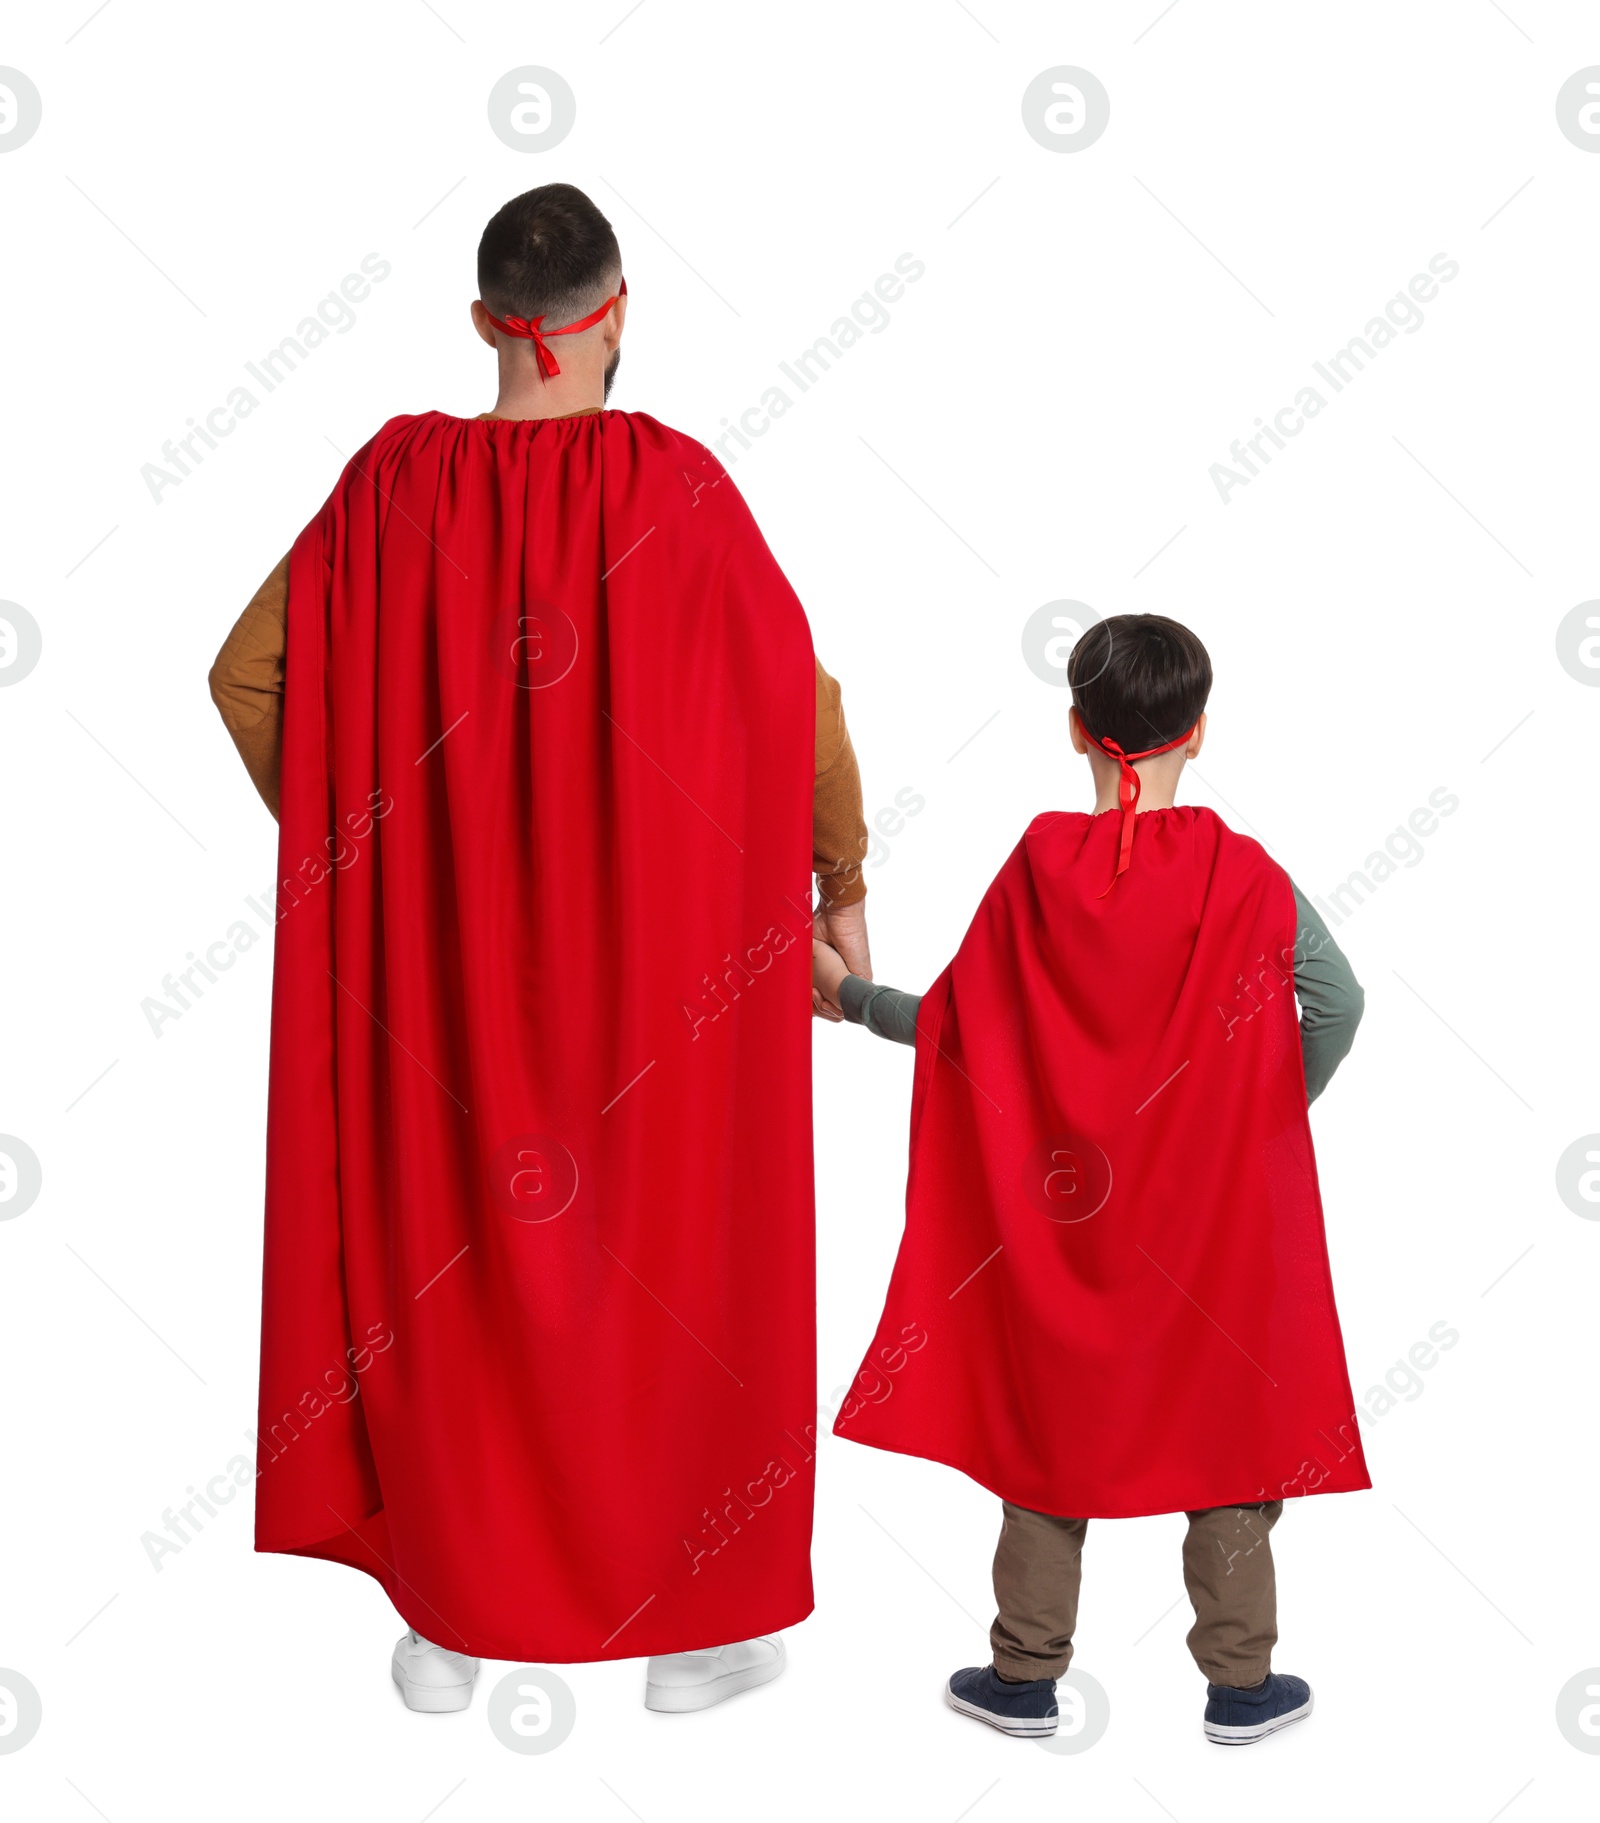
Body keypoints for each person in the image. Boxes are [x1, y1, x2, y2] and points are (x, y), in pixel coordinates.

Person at [208, 183, 872, 1715]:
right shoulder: (677, 486)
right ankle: (698, 1627)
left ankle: (452, 1617)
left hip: (440, 971)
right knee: (677, 1265)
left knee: (454, 1254)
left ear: (481, 321)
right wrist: (837, 877)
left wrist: (371, 851)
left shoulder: (389, 483)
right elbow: (804, 702)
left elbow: (249, 678)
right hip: (664, 976)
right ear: (618, 312)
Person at [813, 613, 1367, 1745]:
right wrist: (1248, 1117)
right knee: (1224, 1429)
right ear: (1199, 732)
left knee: (1048, 1425)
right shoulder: (1245, 874)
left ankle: (1023, 1678)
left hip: (1068, 1217)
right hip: (1208, 1226)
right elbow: (1340, 1003)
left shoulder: (1037, 867)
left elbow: (964, 1026)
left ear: (1075, 728)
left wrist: (846, 994)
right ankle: (1241, 1688)